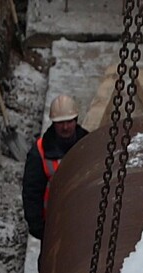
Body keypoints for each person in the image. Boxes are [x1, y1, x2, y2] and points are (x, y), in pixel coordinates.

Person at [22, 95, 89, 240]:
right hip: (52, 226)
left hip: (83, 223)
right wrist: (38, 228)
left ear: (76, 120)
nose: (65, 127)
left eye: (69, 122)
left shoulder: (88, 145)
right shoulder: (39, 152)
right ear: (53, 123)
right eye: (60, 123)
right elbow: (32, 192)